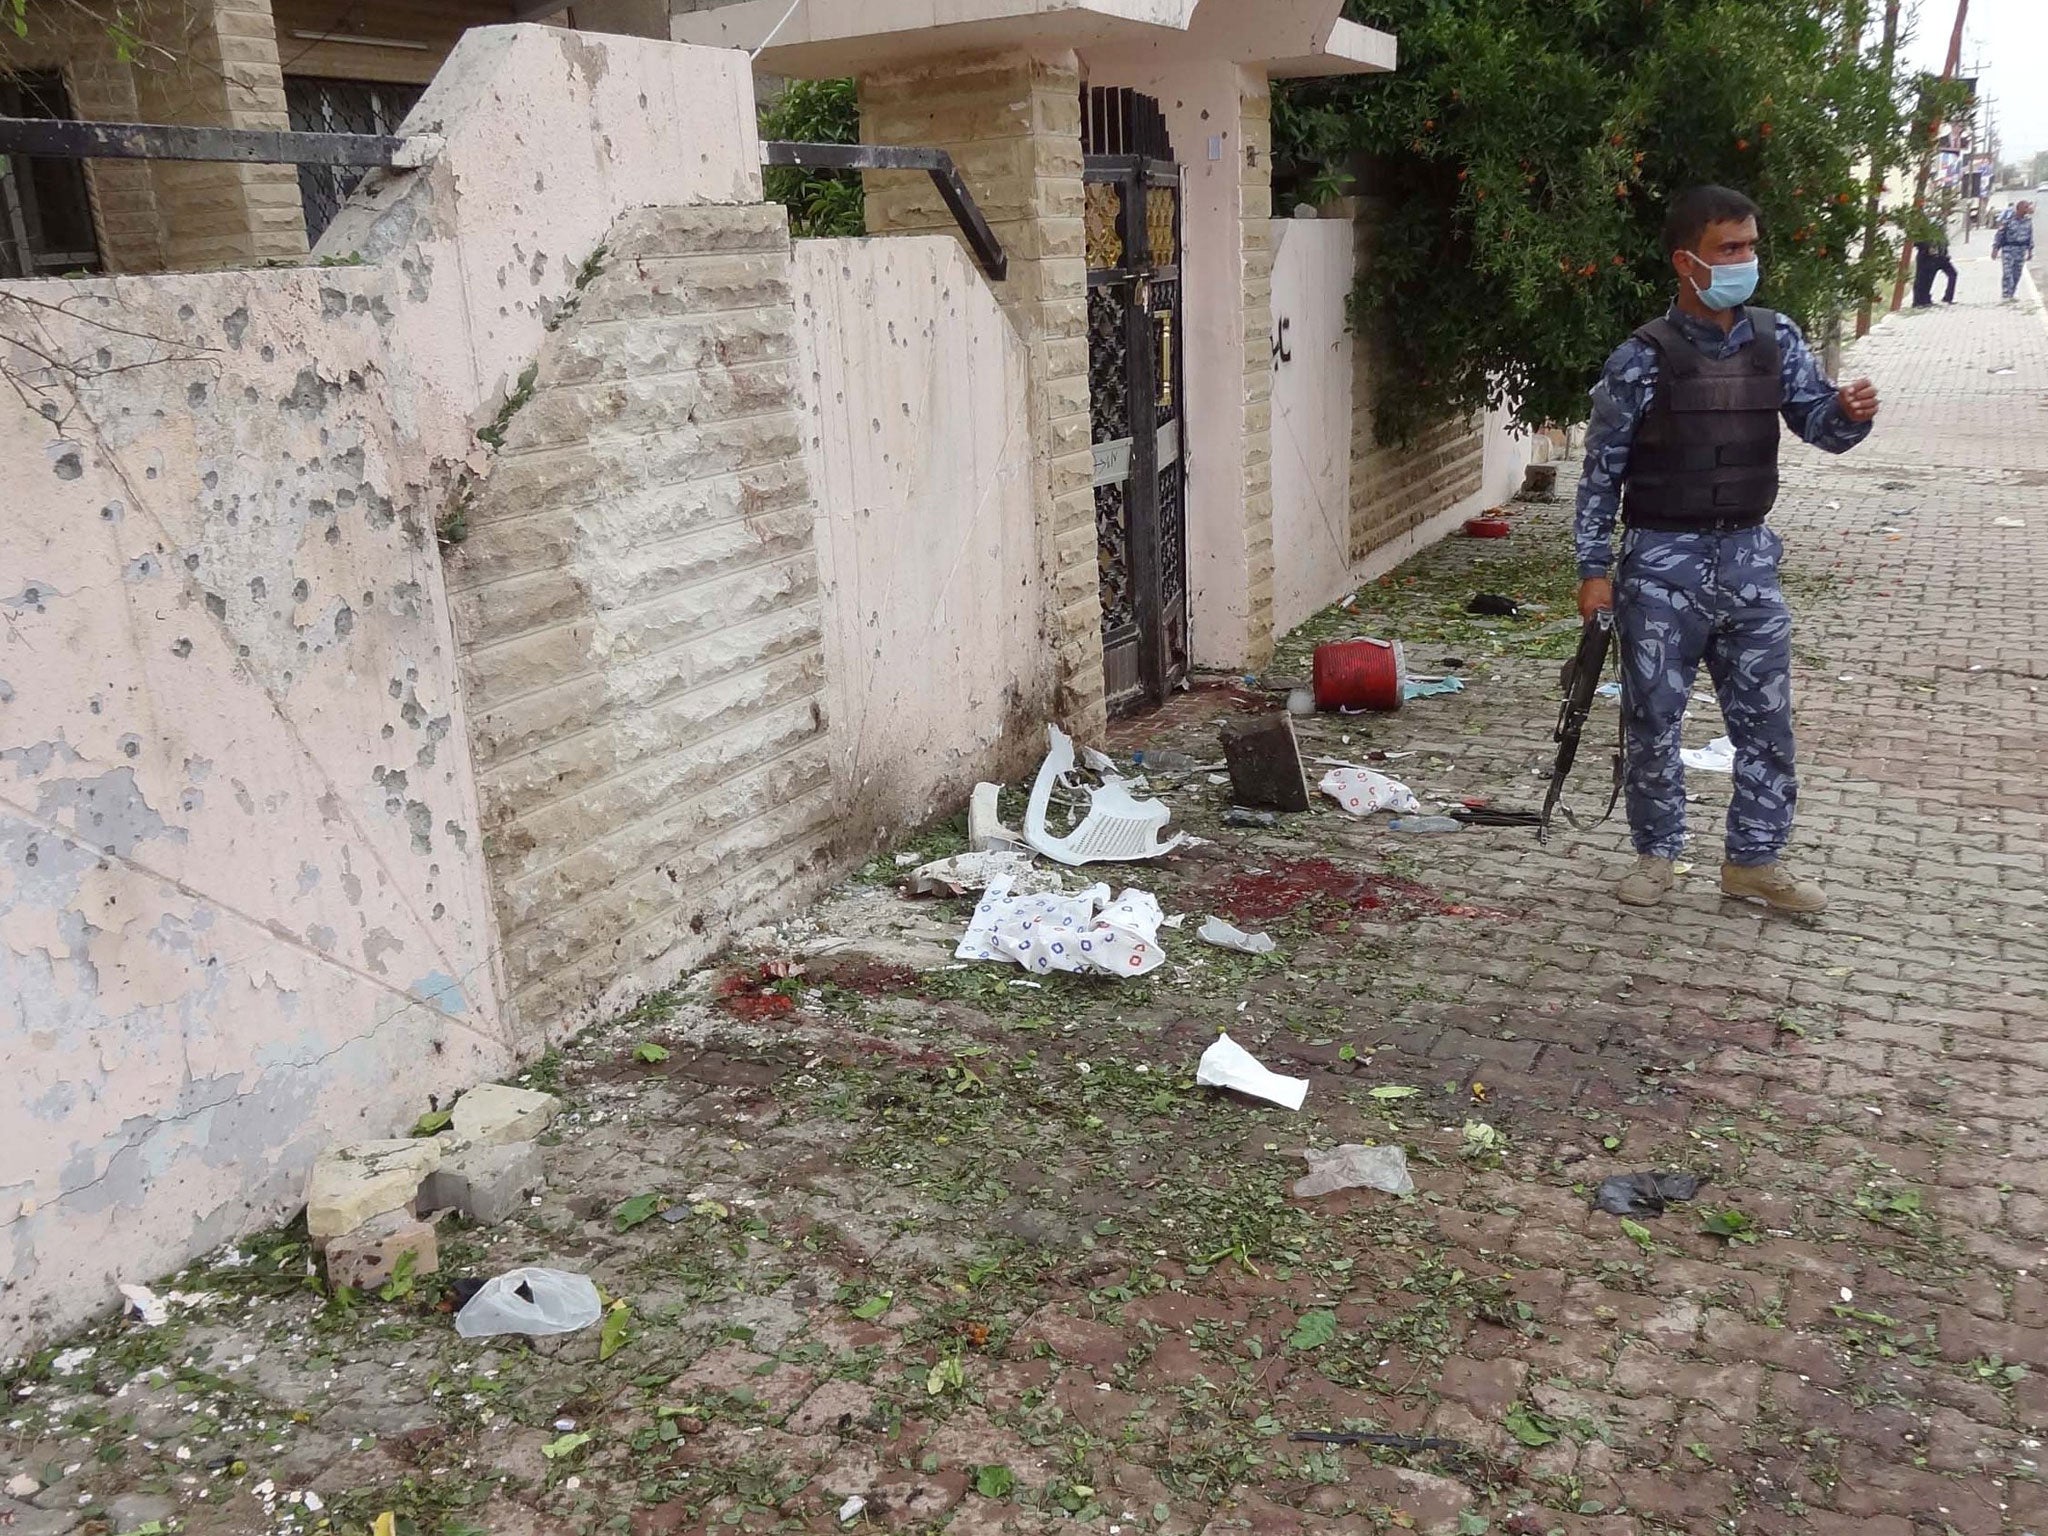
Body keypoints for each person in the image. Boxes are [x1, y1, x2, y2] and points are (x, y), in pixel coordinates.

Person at [1573, 185, 1880, 913]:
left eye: (1750, 246)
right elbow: (1600, 473)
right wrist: (1593, 570)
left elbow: (1821, 429)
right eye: (1729, 249)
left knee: (1766, 722)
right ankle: (1656, 855)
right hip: (1660, 565)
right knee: (1652, 721)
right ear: (1688, 261)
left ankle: (1754, 862)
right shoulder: (1640, 359)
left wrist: (1846, 413)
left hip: (1748, 561)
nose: (1745, 260)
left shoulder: (1777, 340)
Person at [1994, 201, 2034, 301]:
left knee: (2017, 274)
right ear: (2019, 208)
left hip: (2021, 251)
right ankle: (2006, 295)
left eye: (2028, 207)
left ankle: (2012, 293)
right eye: (2025, 207)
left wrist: (2030, 251)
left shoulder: (2028, 221)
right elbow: (2000, 234)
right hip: (2008, 250)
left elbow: (2030, 237)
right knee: (2008, 273)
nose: (2028, 209)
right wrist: (1995, 248)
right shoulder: (2008, 220)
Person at [1913, 237, 1958, 306]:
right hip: (1927, 257)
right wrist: (1927, 247)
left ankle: (1948, 298)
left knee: (1953, 274)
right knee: (1924, 279)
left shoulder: (1940, 228)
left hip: (1940, 257)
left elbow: (1943, 238)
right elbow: (1916, 242)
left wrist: (1944, 251)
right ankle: (1921, 301)